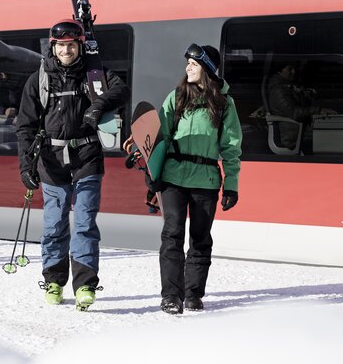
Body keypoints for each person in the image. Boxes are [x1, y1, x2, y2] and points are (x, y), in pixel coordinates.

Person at [14, 19, 128, 310]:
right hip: (51, 162)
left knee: (85, 223)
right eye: (61, 45)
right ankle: (53, 280)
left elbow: (122, 89)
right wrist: (26, 166)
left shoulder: (93, 75)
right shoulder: (39, 79)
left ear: (80, 46)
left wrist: (99, 105)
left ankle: (85, 285)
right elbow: (25, 127)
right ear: (54, 47)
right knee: (54, 225)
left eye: (71, 45)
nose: (66, 50)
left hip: (87, 157)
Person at [152, 44, 242, 315]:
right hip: (174, 178)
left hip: (206, 180)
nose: (187, 68)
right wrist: (153, 175)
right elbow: (161, 139)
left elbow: (231, 146)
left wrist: (232, 185)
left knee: (200, 238)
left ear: (208, 69)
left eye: (193, 63)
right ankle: (171, 296)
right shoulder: (176, 97)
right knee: (172, 234)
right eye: (187, 63)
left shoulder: (224, 103)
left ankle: (193, 294)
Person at [265, 60, 333, 150]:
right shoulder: (278, 90)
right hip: (295, 135)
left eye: (295, 68)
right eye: (290, 69)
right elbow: (294, 112)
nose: (294, 72)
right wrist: (318, 110)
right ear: (279, 70)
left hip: (301, 130)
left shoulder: (290, 86)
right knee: (331, 139)